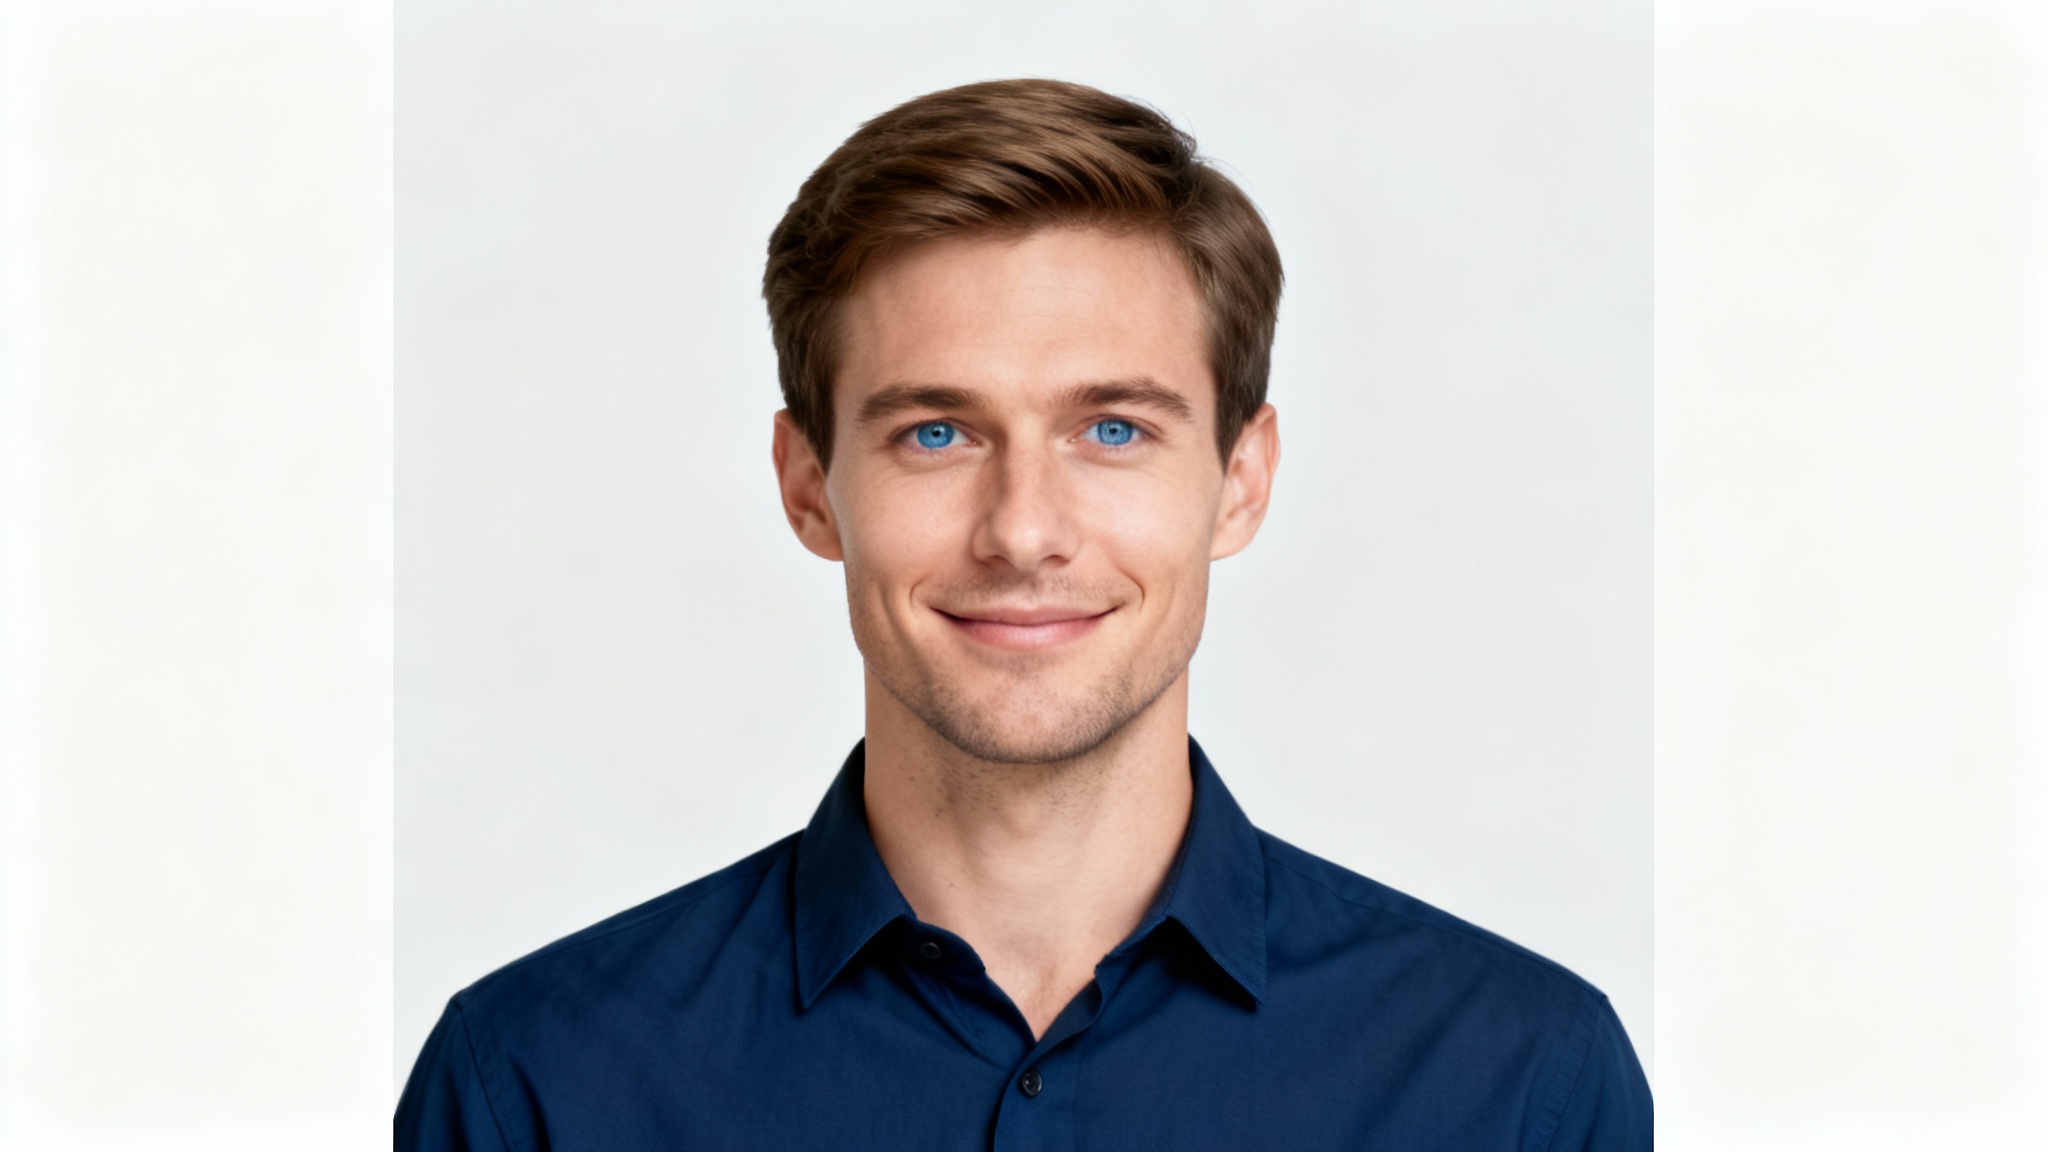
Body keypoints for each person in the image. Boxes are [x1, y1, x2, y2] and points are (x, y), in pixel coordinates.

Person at [396, 78, 1651, 1151]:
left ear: (1240, 480)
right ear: (808, 487)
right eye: (934, 432)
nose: (1022, 529)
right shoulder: (535, 1085)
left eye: (1111, 429)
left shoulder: (1516, 1085)